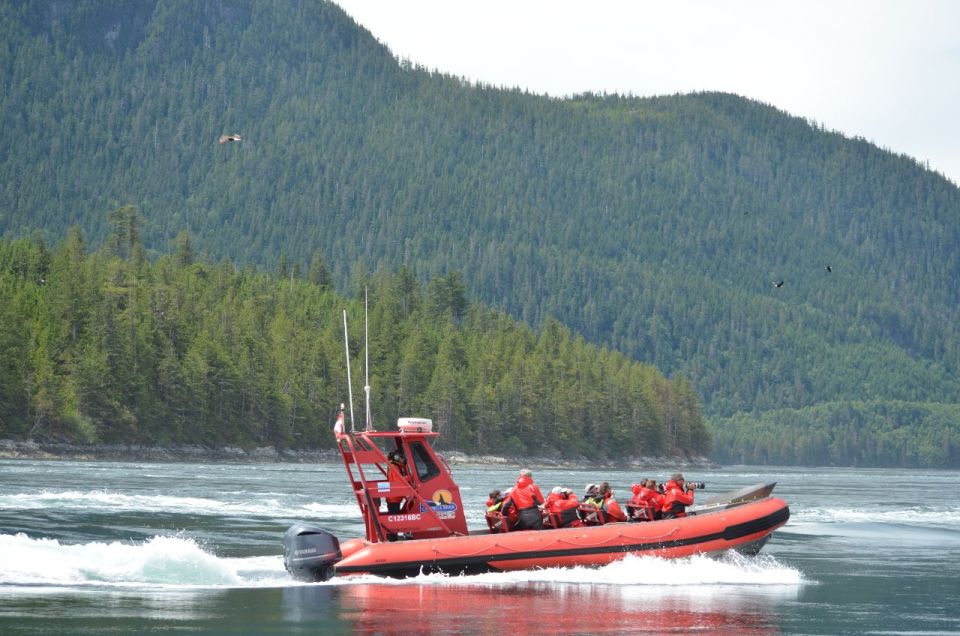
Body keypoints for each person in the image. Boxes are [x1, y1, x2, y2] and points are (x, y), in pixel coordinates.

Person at [385, 450, 409, 514]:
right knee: (394, 515)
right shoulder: (394, 467)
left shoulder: (395, 467)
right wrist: (410, 477)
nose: (403, 459)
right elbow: (399, 481)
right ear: (396, 458)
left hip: (394, 497)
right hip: (393, 498)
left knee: (394, 514)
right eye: (402, 457)